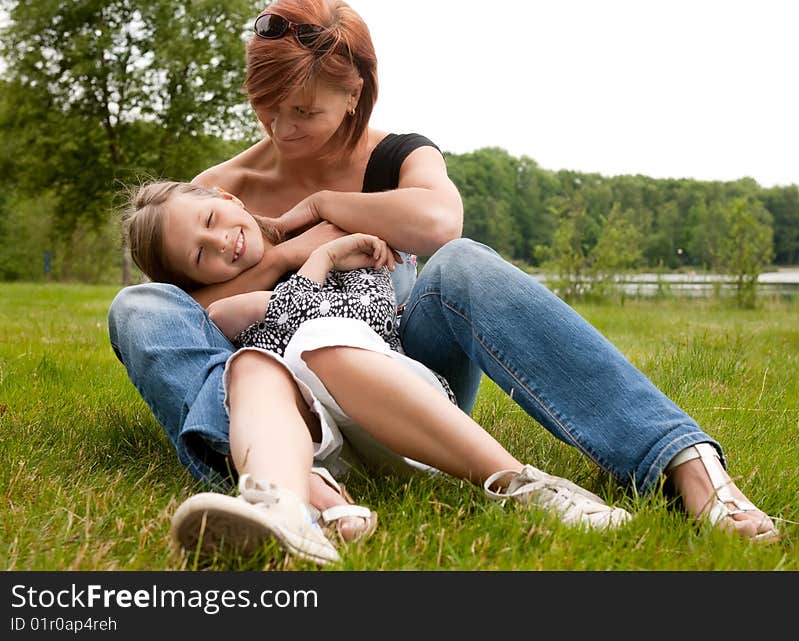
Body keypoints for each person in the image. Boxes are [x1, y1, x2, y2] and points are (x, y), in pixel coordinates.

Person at [108, 0, 779, 545]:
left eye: (304, 111)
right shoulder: (223, 188)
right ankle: (281, 482)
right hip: (289, 396)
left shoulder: (398, 154)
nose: (281, 129)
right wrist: (290, 252)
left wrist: (321, 206)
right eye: (267, 107)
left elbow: (437, 224)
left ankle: (684, 462)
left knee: (461, 263)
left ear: (355, 94)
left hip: (406, 373)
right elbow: (184, 324)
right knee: (137, 307)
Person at [120, 180, 632, 565]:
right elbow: (216, 317)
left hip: (397, 405)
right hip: (323, 444)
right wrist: (315, 256)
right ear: (191, 281)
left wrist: (313, 260)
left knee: (318, 340)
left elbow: (359, 318)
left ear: (230, 201)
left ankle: (521, 484)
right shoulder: (231, 305)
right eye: (200, 255)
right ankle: (284, 507)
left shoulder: (356, 270)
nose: (222, 243)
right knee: (251, 368)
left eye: (212, 220)